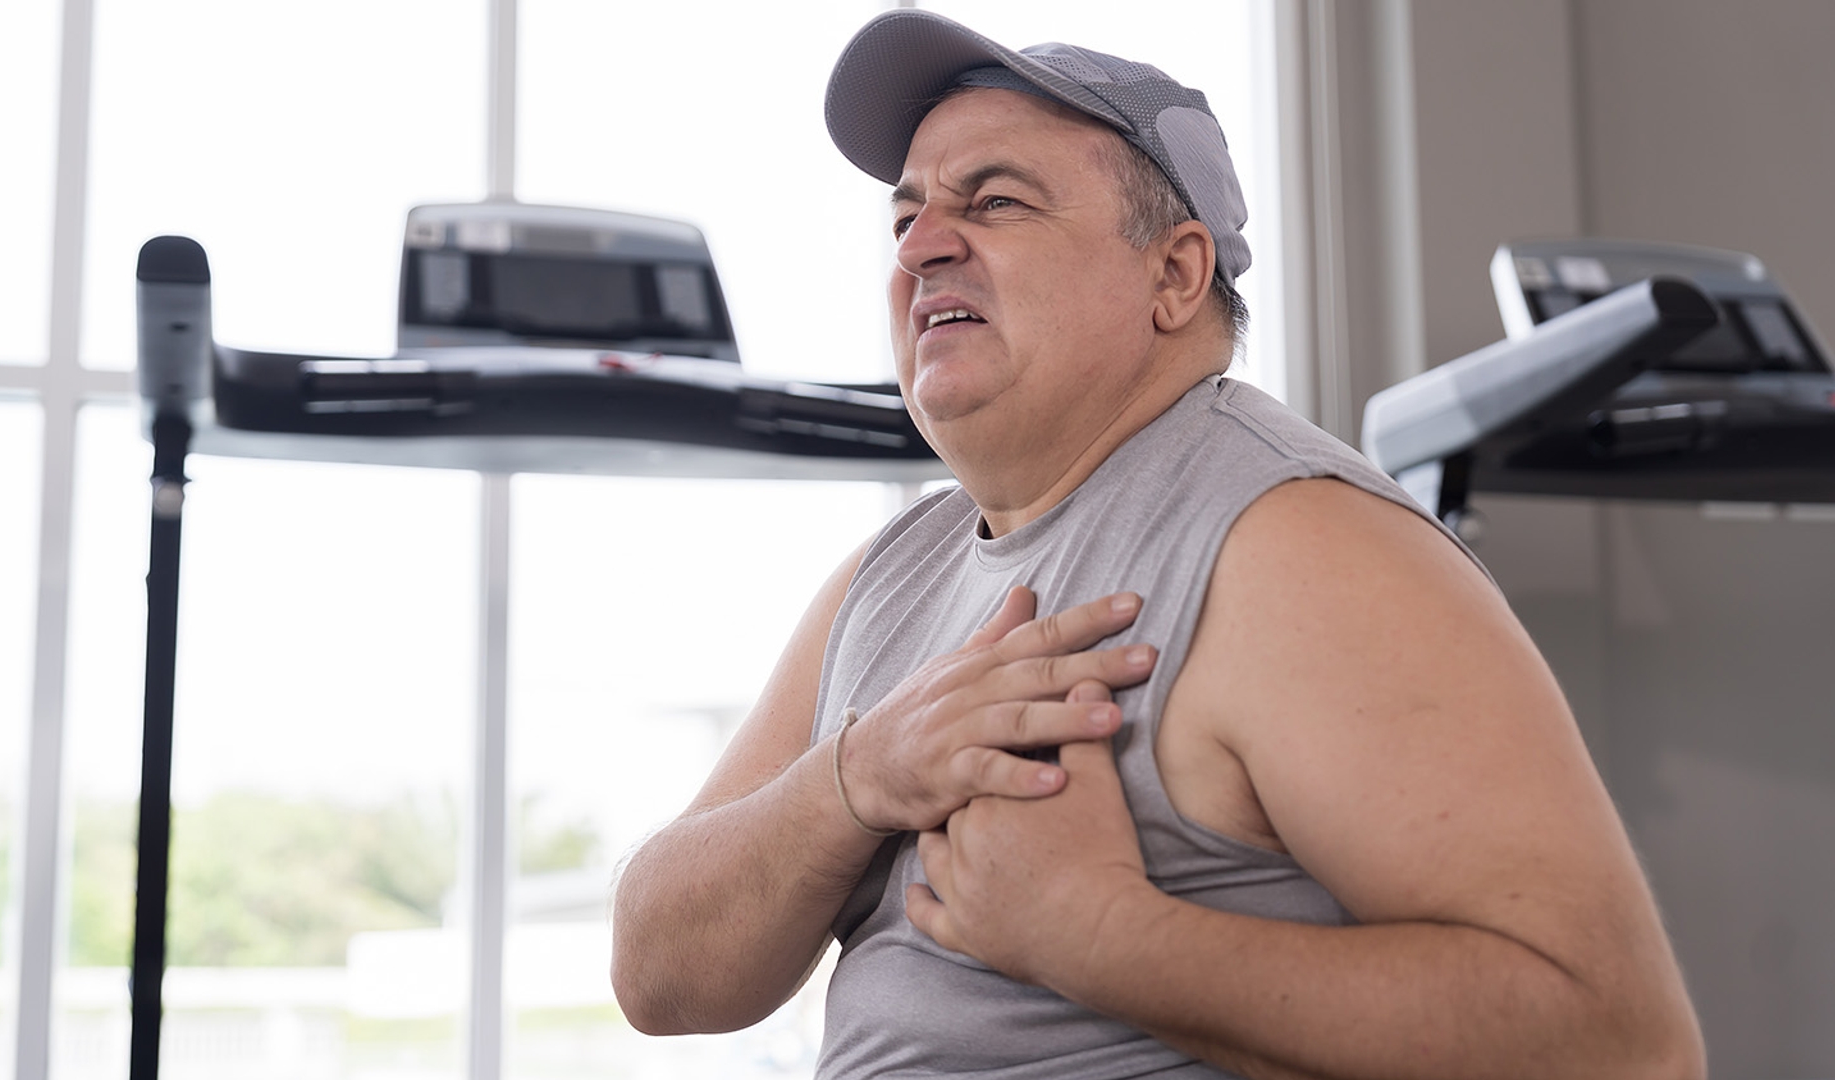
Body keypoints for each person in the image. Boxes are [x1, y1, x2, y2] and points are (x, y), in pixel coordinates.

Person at [610, 9, 1705, 1079]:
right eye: (906, 219)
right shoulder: (889, 576)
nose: (924, 246)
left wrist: (1098, 936)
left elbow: (1620, 1045)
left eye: (994, 201)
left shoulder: (1299, 544)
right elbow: (659, 978)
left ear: (1176, 277)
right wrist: (859, 774)